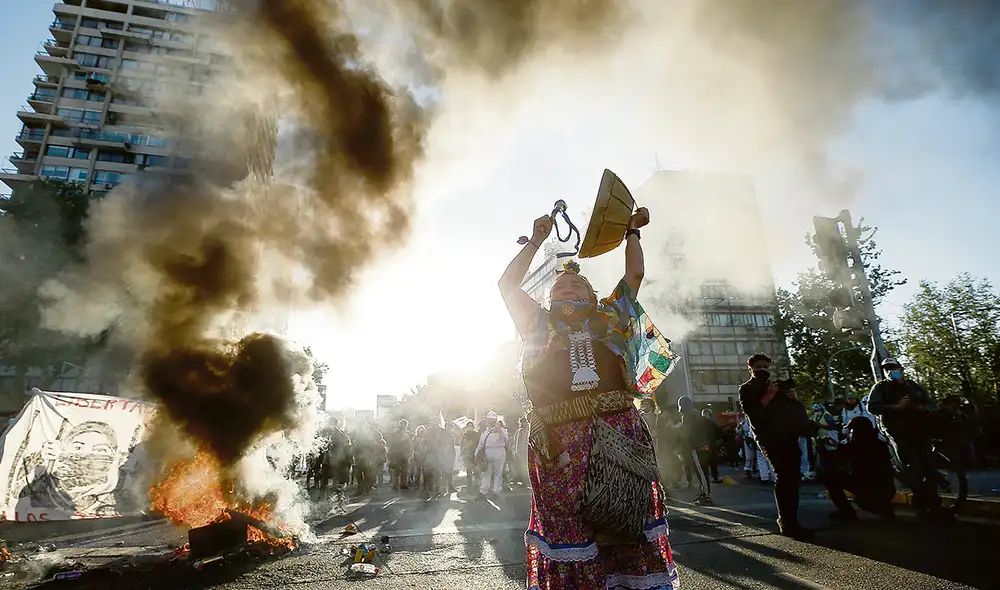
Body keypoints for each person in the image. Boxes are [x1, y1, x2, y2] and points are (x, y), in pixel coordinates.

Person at [499, 207, 679, 589]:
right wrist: (536, 241)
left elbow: (634, 275)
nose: (568, 288)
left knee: (626, 519)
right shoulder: (538, 322)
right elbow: (507, 287)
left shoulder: (610, 317)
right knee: (570, 529)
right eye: (560, 287)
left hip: (619, 434)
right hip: (558, 443)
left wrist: (632, 231)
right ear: (548, 299)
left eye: (577, 285)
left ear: (593, 295)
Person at [739, 358, 819, 540]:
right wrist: (770, 394)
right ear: (750, 369)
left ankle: (791, 521)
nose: (762, 369)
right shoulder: (748, 389)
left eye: (765, 366)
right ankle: (787, 522)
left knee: (792, 477)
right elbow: (754, 414)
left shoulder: (774, 386)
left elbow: (793, 410)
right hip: (770, 438)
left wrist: (790, 397)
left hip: (789, 435)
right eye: (758, 367)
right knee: (784, 476)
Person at [867, 357, 949, 519]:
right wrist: (896, 407)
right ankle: (921, 506)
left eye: (894, 367)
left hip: (920, 430)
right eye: (888, 369)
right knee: (913, 467)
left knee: (929, 466)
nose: (891, 371)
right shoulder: (881, 387)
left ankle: (935, 505)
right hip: (898, 432)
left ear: (901, 368)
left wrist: (922, 409)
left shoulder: (913, 386)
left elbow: (932, 405)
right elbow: (872, 407)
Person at [820, 416, 896, 521]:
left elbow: (839, 457)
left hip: (868, 487)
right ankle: (884, 509)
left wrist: (822, 448)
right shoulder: (878, 443)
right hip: (886, 489)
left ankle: (848, 512)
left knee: (830, 478)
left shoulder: (860, 445)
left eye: (852, 430)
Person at [677, 398, 718, 506]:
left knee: (701, 472)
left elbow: (687, 434)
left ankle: (706, 495)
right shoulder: (697, 414)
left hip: (697, 446)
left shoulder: (688, 416)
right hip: (702, 445)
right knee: (701, 472)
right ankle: (704, 494)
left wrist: (685, 447)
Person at [475, 411, 509, 498]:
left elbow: (481, 444)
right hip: (499, 452)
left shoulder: (486, 431)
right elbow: (507, 440)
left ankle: (483, 491)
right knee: (497, 473)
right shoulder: (501, 430)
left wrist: (476, 454)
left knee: (487, 473)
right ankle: (496, 491)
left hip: (489, 452)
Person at [513, 416, 530, 488]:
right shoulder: (520, 431)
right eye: (522, 422)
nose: (524, 423)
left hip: (528, 450)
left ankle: (528, 481)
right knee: (523, 466)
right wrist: (516, 452)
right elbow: (517, 442)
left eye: (525, 422)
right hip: (522, 451)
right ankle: (525, 481)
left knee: (527, 466)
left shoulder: (529, 429)